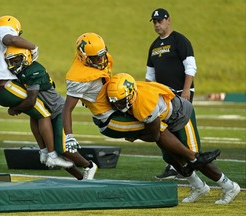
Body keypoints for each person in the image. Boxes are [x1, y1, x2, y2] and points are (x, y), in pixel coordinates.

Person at [62, 32, 219, 174]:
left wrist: (88, 98)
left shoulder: (98, 58)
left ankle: (186, 169)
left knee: (157, 128)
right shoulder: (78, 78)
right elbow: (67, 108)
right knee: (158, 128)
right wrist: (69, 135)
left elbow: (98, 85)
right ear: (84, 57)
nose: (101, 60)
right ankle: (193, 158)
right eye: (96, 58)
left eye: (102, 55)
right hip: (110, 119)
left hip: (117, 108)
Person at [107, 73, 240, 204]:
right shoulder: (133, 95)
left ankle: (230, 186)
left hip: (181, 116)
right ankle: (199, 187)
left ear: (130, 95)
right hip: (167, 120)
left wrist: (134, 136)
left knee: (195, 158)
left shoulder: (144, 104)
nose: (117, 105)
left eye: (119, 101)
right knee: (171, 158)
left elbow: (155, 136)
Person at [0, 15, 72, 170]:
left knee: (34, 113)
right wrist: (33, 47)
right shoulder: (1, 31)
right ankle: (52, 155)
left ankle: (43, 152)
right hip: (7, 87)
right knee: (43, 113)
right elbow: (12, 40)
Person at [4, 46, 96, 180]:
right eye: (11, 62)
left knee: (62, 148)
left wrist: (15, 109)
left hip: (57, 110)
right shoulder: (22, 71)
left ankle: (89, 165)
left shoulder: (34, 70)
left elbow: (31, 100)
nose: (13, 65)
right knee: (59, 156)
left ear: (26, 58)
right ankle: (80, 178)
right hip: (45, 111)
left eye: (16, 61)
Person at [145, 8, 197, 180]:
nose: (157, 25)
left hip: (180, 94)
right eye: (154, 22)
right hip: (163, 96)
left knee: (183, 130)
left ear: (168, 20)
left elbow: (190, 67)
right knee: (166, 131)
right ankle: (174, 166)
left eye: (160, 21)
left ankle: (193, 162)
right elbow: (150, 76)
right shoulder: (153, 46)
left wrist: (186, 91)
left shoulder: (179, 41)